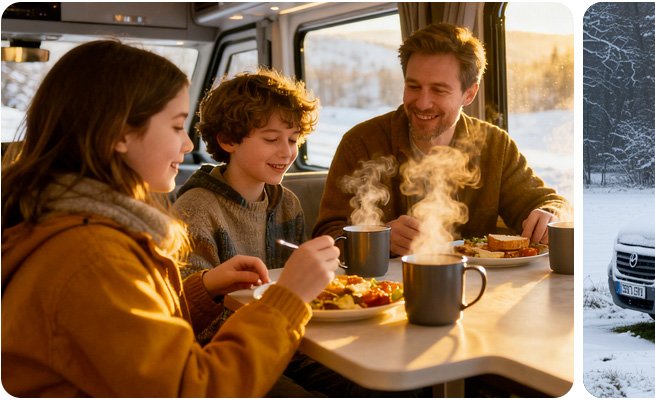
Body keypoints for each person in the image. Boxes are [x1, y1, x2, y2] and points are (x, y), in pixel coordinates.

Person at [1, 40, 340, 397]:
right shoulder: (94, 257)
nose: (188, 145)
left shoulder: (89, 230)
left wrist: (204, 290)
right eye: (177, 126)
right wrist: (287, 297)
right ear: (120, 133)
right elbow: (192, 389)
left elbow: (139, 337)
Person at [312, 23, 568, 256]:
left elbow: (549, 203)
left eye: (439, 90)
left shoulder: (495, 145)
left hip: (475, 281)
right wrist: (378, 239)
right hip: (384, 287)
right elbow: (326, 237)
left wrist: (550, 215)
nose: (423, 103)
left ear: (469, 94)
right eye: (413, 86)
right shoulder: (361, 142)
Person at [173, 68, 314, 343]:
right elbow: (189, 318)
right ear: (228, 140)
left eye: (293, 139)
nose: (287, 152)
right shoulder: (195, 210)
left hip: (289, 337)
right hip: (231, 346)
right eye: (271, 139)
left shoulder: (287, 204)